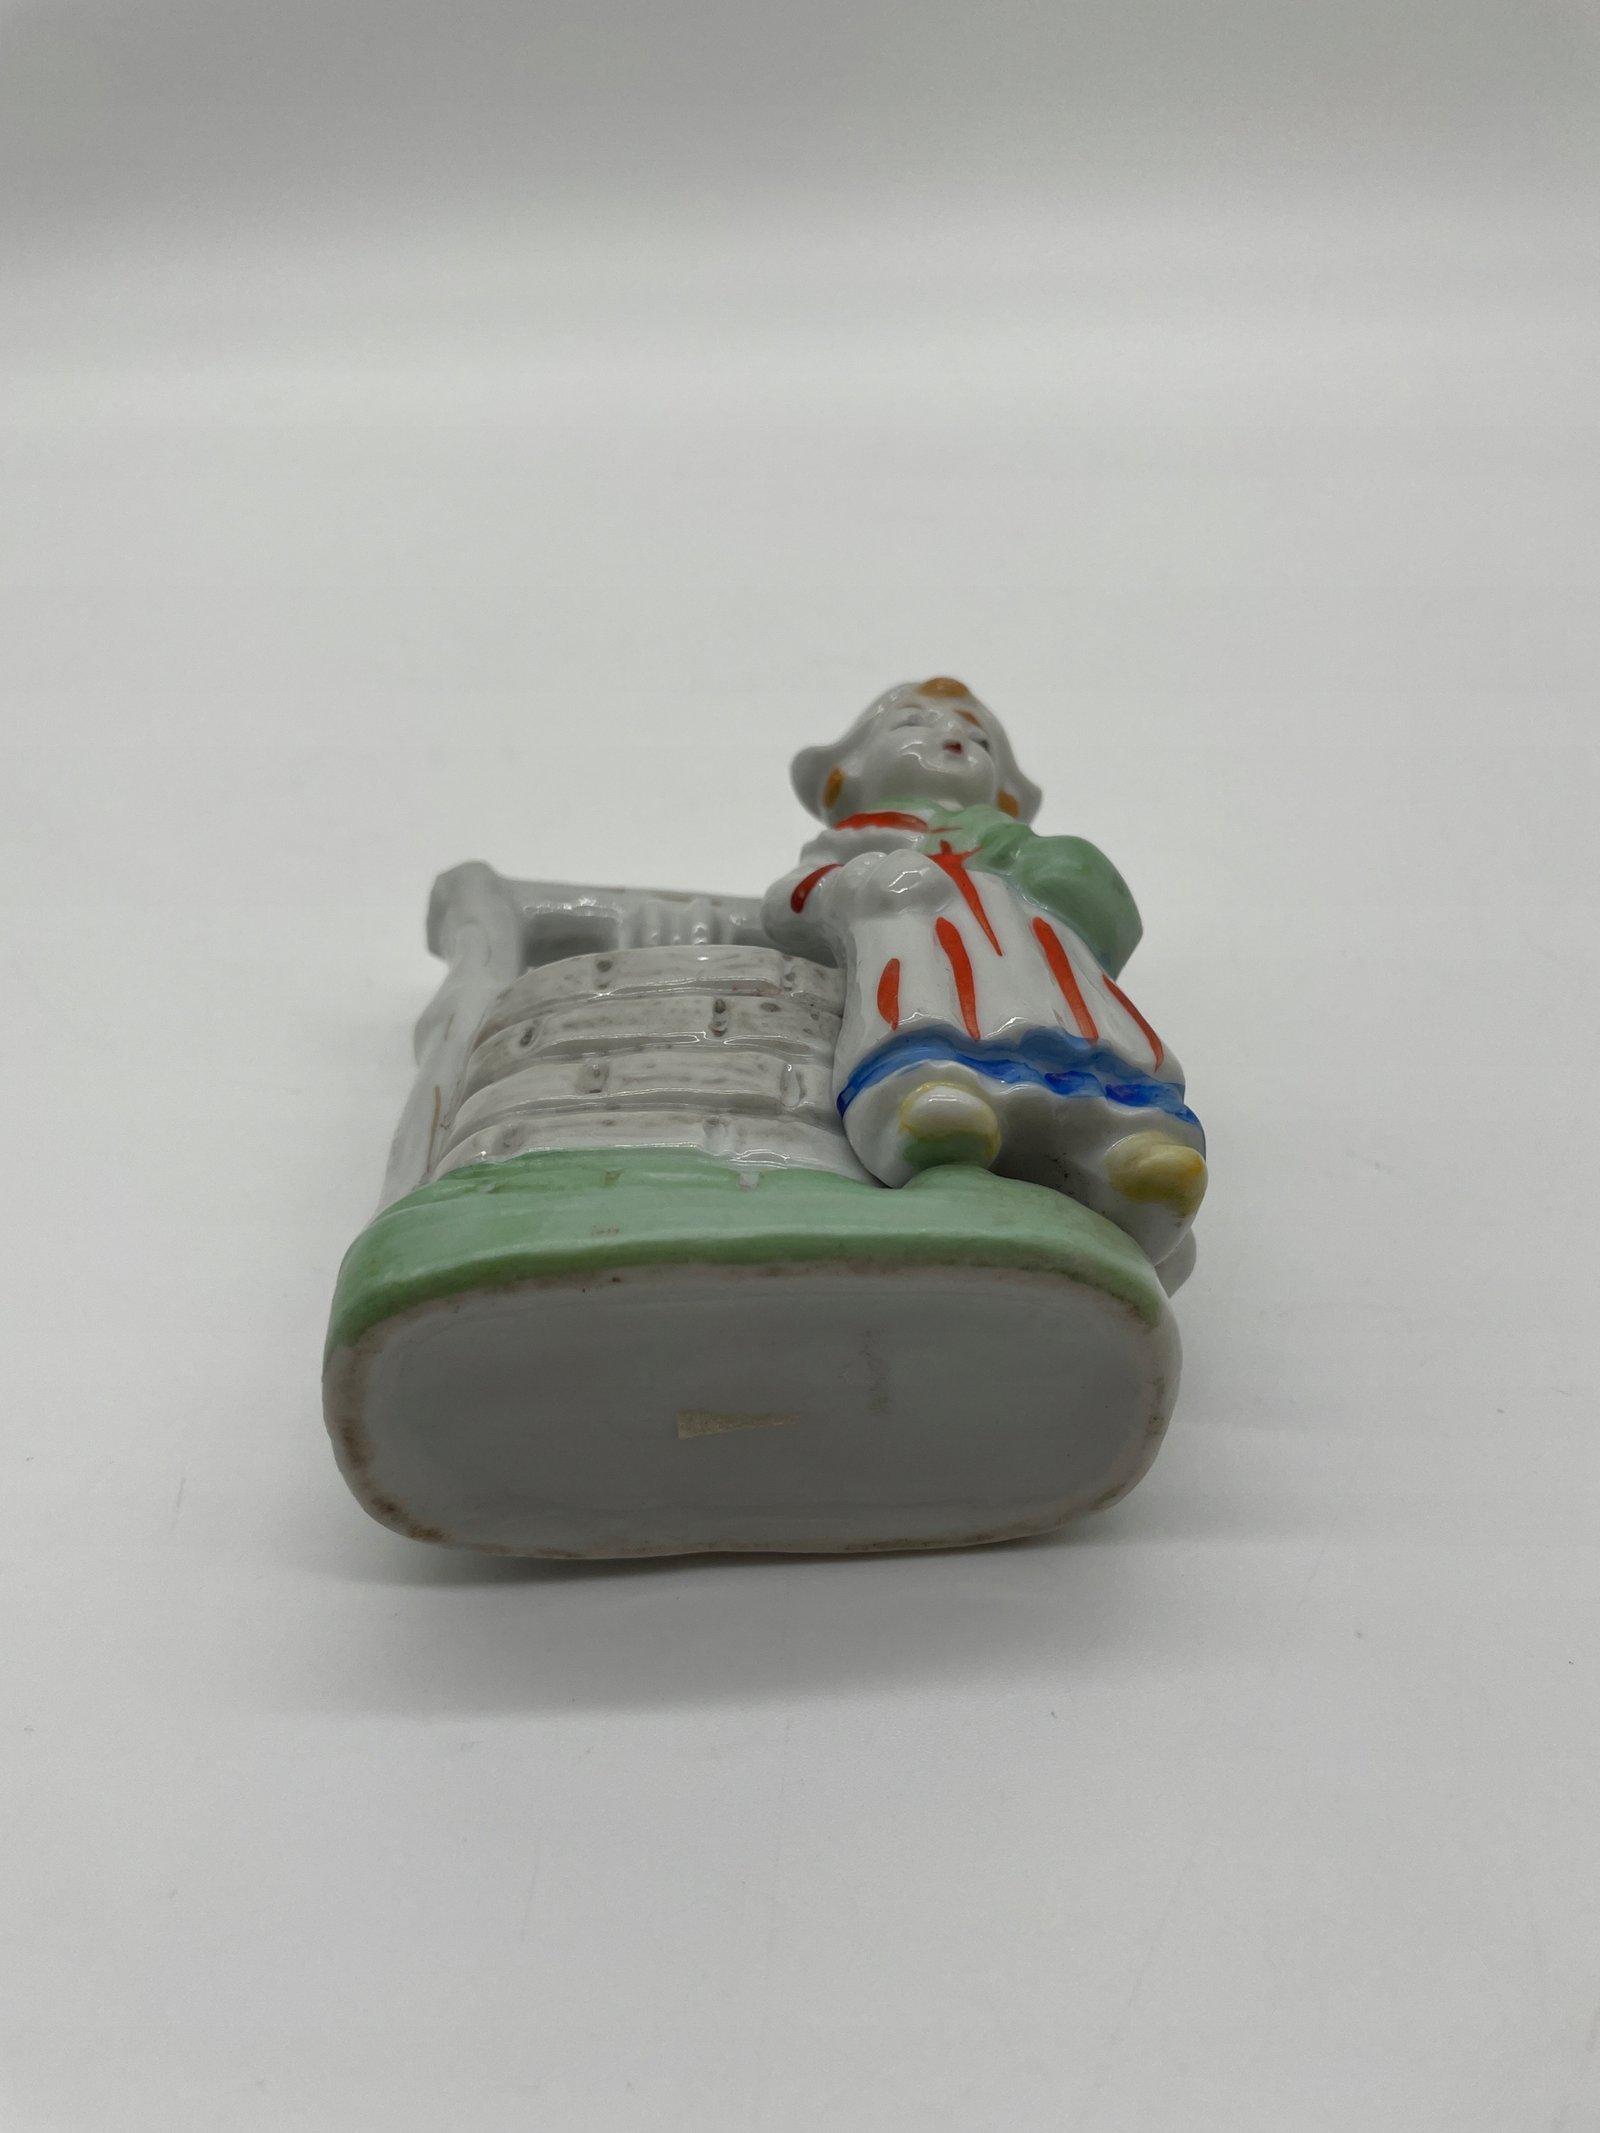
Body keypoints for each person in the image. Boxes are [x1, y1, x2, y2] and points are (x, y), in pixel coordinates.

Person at [761, 676, 1206, 1267]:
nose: (952, 736)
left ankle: (1128, 1141)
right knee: (928, 1007)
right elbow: (787, 902)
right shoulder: (859, 837)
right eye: (912, 724)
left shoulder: (1013, 844)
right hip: (924, 942)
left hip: (1040, 951)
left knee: (1083, 1022)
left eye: (980, 739)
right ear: (848, 774)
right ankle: (933, 1103)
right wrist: (858, 884)